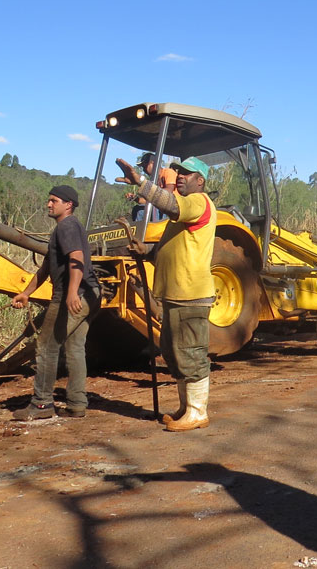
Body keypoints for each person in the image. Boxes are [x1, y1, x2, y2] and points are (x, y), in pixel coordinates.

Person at [115, 155, 216, 432]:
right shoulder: (182, 214)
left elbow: (170, 204)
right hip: (175, 294)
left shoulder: (198, 202)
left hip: (191, 294)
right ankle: (186, 408)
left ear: (200, 181)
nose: (180, 175)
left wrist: (141, 183)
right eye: (178, 171)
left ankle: (198, 413)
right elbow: (167, 251)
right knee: (174, 352)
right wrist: (146, 252)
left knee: (190, 353)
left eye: (187, 173)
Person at [11, 185, 102, 420]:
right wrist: (26, 293)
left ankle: (41, 404)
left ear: (68, 204)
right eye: (48, 200)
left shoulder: (67, 226)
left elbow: (77, 258)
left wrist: (72, 292)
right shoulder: (64, 229)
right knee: (74, 348)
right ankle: (77, 404)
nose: (48, 204)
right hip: (90, 293)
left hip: (74, 294)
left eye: (54, 200)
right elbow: (45, 268)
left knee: (46, 347)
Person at [126, 152, 178, 222]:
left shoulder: (168, 172)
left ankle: (158, 231)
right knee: (138, 209)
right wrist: (136, 199)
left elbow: (169, 191)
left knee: (155, 207)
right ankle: (141, 232)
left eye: (145, 166)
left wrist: (144, 185)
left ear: (153, 163)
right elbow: (148, 200)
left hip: (173, 206)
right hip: (160, 207)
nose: (144, 170)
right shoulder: (153, 180)